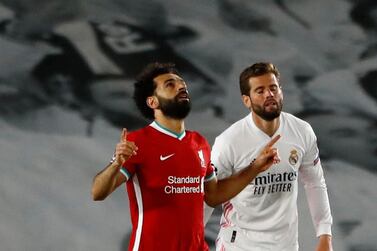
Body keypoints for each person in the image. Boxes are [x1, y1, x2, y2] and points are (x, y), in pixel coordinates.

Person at [91, 62, 281, 251]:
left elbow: (214, 196)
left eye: (182, 83)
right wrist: (117, 163)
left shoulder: (199, 142)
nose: (181, 86)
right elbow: (97, 193)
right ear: (152, 102)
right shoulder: (137, 141)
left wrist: (255, 167)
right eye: (170, 85)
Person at [206, 62, 333, 251]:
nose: (269, 94)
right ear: (246, 100)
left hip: (285, 245)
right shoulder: (228, 142)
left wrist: (325, 235)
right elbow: (210, 196)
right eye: (260, 90)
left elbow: (315, 183)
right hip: (239, 245)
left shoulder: (302, 131)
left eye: (273, 88)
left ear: (281, 91)